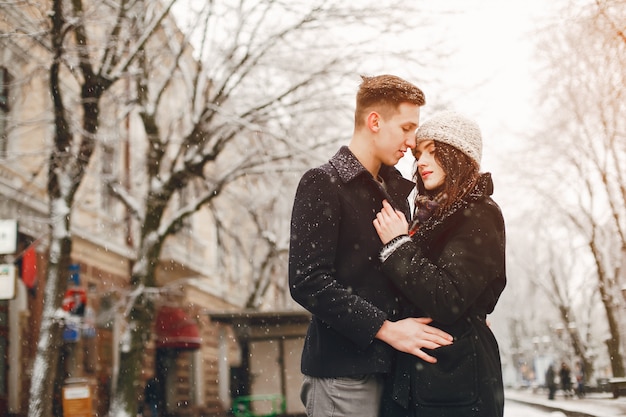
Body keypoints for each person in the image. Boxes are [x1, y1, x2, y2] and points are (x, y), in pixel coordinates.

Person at [289, 75, 454, 417]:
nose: (412, 142)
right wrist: (386, 329)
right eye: (406, 128)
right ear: (374, 121)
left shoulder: (398, 193)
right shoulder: (322, 182)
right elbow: (307, 281)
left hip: (395, 375)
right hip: (343, 374)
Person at [373, 111, 507, 417]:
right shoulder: (428, 216)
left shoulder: (480, 213)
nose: (421, 162)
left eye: (434, 153)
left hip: (455, 382)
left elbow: (449, 298)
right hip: (418, 379)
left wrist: (397, 246)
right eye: (420, 153)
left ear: (459, 157)